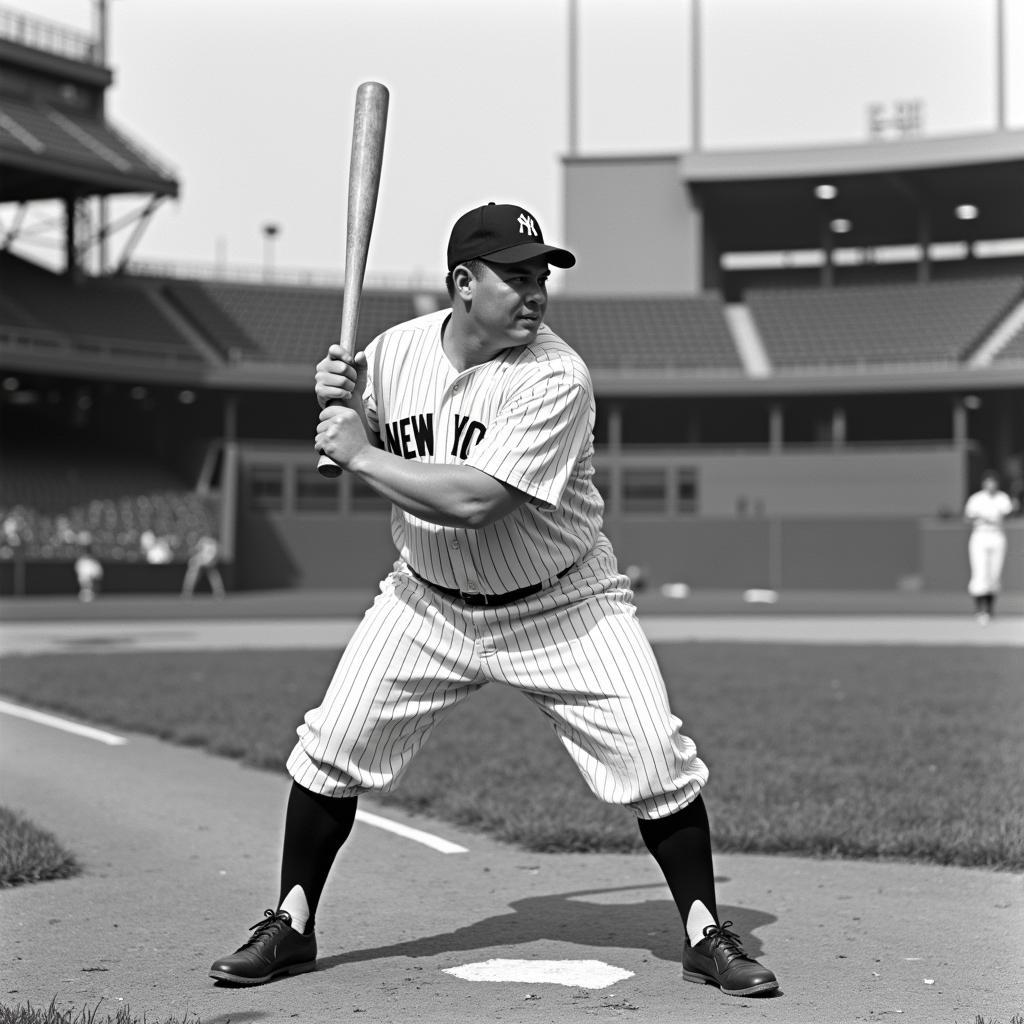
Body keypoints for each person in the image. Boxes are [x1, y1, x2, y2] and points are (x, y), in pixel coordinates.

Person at [209, 203, 779, 998]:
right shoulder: (395, 351)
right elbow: (354, 413)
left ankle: (702, 932)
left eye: (541, 274)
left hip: (563, 606)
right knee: (332, 743)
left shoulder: (556, 376)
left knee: (655, 756)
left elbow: (475, 501)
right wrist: (338, 393)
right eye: (516, 274)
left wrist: (359, 451)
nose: (535, 290)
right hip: (426, 602)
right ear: (462, 284)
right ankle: (292, 923)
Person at [964, 470, 1016, 623]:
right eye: (988, 482)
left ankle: (990, 610)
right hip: (980, 535)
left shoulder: (1002, 498)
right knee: (980, 572)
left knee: (994, 573)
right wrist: (982, 518)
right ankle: (979, 610)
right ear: (983, 483)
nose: (991, 485)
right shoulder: (976, 499)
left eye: (993, 482)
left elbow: (1010, 513)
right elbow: (967, 517)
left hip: (997, 535)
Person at [181, 534, 225, 599]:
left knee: (214, 576)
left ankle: (219, 592)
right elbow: (196, 551)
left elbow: (215, 554)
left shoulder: (212, 542)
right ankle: (187, 592)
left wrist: (210, 561)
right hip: (201, 562)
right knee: (192, 574)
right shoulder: (203, 540)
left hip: (209, 562)